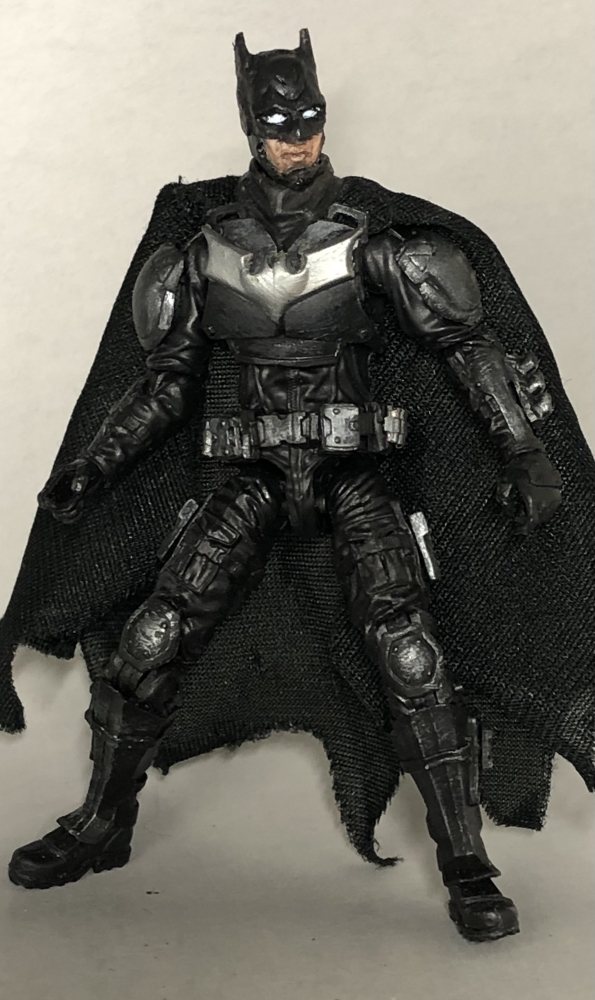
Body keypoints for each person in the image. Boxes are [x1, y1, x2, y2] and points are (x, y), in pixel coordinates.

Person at [4, 30, 590, 945]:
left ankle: (467, 862)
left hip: (353, 474)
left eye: (310, 119)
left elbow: (464, 346)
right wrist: (95, 463)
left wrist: (522, 450)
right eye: (280, 124)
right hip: (249, 478)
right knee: (151, 639)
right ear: (250, 126)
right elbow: (165, 384)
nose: (299, 139)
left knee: (411, 656)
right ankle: (101, 822)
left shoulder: (374, 243)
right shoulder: (200, 253)